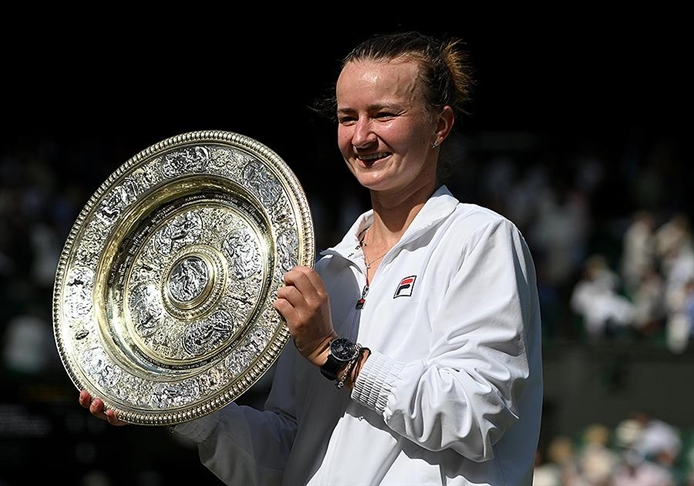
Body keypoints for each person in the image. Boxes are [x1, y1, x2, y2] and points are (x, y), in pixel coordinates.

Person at [80, 30, 544, 486]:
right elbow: (286, 451)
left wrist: (334, 354)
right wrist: (172, 405)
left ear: (439, 125)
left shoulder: (479, 239)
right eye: (347, 117)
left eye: (383, 114)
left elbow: (475, 415)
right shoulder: (325, 270)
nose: (361, 137)